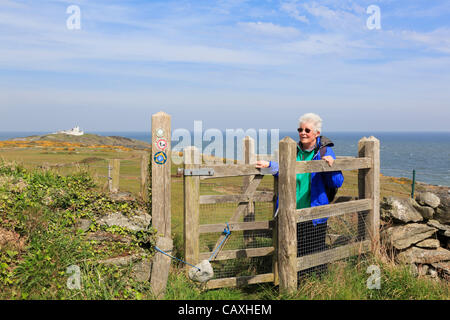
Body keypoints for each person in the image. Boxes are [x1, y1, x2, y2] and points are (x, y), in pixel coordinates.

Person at [256, 112, 344, 278]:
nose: (303, 132)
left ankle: (316, 285)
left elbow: (337, 182)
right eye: (300, 129)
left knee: (314, 252)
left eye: (307, 130)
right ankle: (295, 284)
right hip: (291, 212)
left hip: (314, 213)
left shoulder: (325, 151)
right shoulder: (293, 150)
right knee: (291, 251)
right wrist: (269, 165)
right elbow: (285, 168)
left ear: (317, 133)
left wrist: (329, 166)